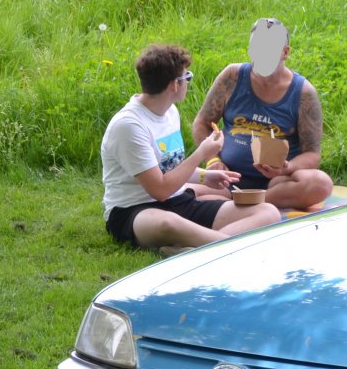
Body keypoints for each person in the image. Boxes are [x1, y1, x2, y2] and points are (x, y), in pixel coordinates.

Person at [101, 45, 282, 252]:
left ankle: (191, 248)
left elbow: (169, 167)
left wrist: (205, 176)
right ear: (175, 85)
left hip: (177, 199)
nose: (188, 82)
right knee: (169, 223)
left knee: (268, 212)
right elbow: (159, 190)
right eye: (187, 78)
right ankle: (223, 247)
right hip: (134, 210)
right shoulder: (129, 126)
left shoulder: (169, 112)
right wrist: (202, 154)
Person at [191, 18, 334, 209]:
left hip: (275, 184)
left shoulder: (303, 93)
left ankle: (247, 204)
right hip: (227, 178)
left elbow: (312, 155)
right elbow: (202, 122)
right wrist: (213, 159)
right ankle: (235, 203)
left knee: (321, 184)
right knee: (179, 190)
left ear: (285, 52)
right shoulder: (232, 76)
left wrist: (287, 167)